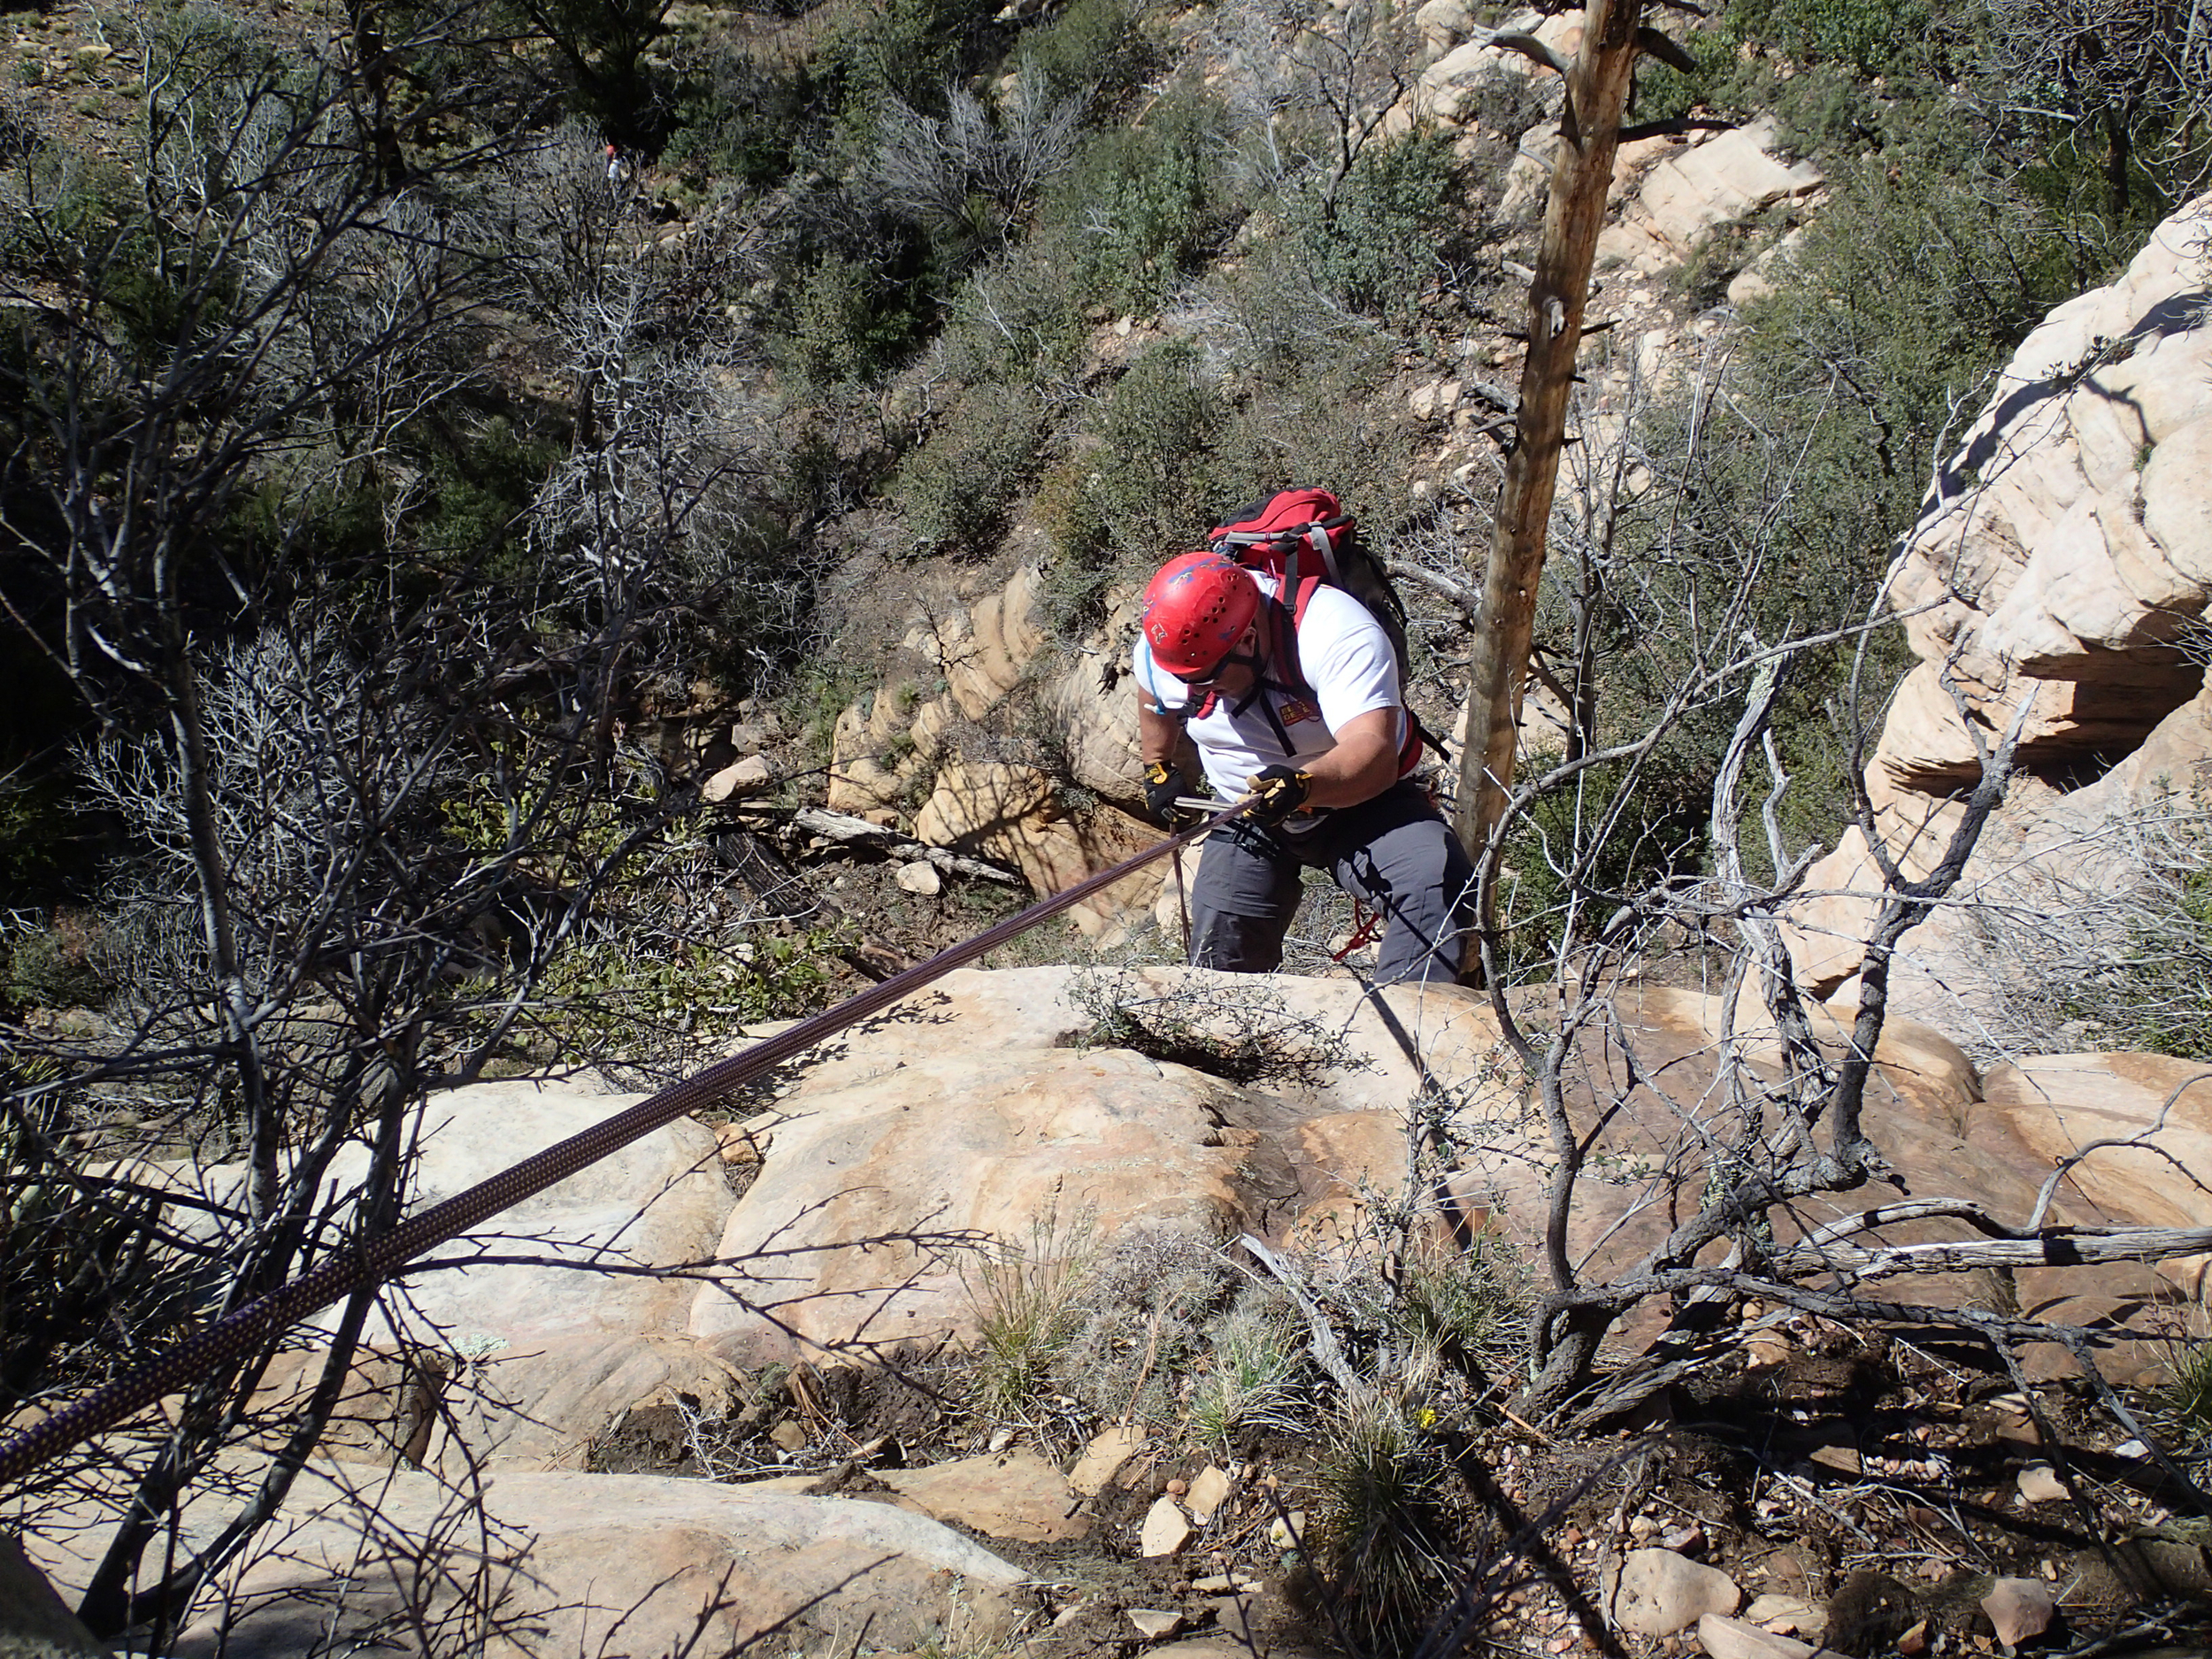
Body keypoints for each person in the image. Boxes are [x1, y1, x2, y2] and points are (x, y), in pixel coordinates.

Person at [1133, 548, 1474, 986]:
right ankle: (1235, 1043)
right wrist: (1156, 765)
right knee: (1222, 945)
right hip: (1249, 810)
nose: (1194, 690)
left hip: (1363, 802)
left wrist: (1305, 785)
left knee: (1434, 883)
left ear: (1249, 639)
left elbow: (1372, 750)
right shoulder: (1175, 649)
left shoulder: (1335, 631)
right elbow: (1153, 694)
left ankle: (1418, 1028)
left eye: (1207, 679)